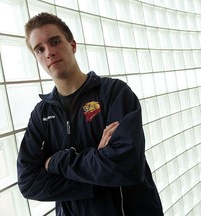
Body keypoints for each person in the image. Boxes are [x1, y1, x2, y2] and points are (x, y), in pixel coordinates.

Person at [17, 12, 163, 216]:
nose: (49, 52)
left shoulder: (114, 93)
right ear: (37, 58)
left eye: (55, 41)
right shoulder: (41, 114)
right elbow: (28, 182)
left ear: (73, 45)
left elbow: (125, 166)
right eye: (40, 49)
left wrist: (55, 162)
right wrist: (98, 169)